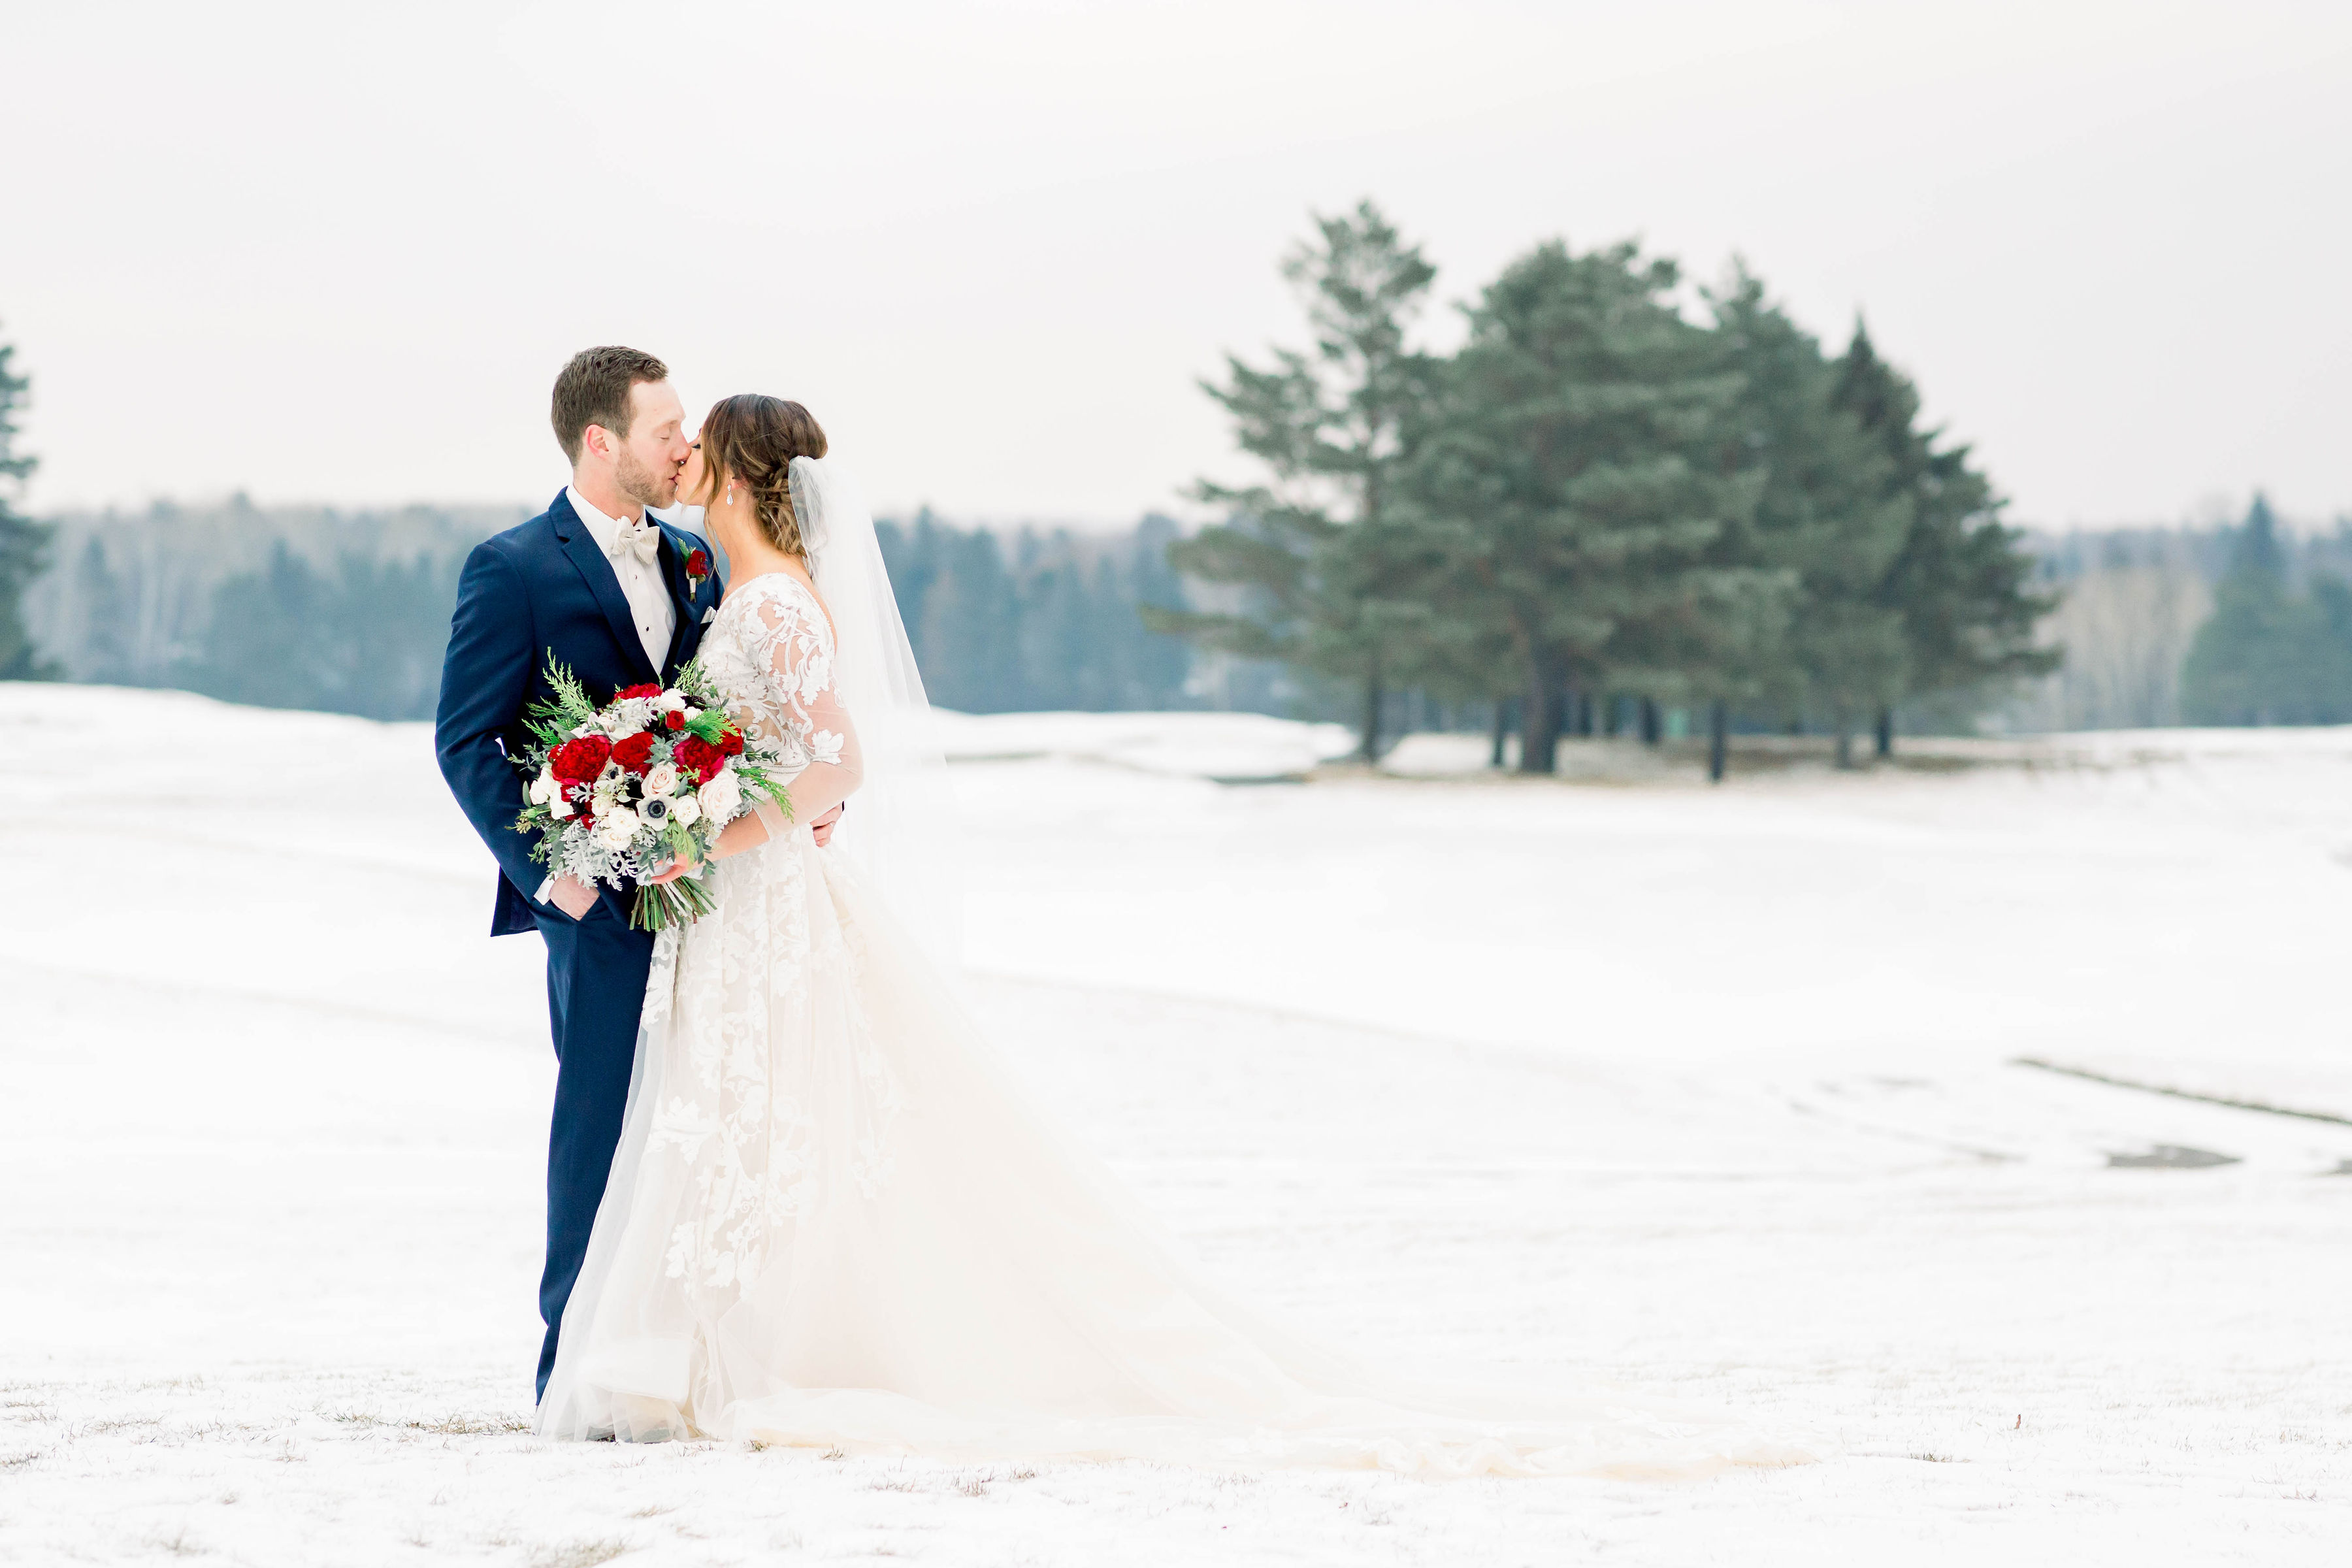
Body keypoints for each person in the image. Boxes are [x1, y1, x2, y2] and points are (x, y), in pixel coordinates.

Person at [534, 393, 1801, 1478]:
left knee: (779, 1119)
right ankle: (701, 1345)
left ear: (752, 474)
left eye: (703, 451)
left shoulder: (775, 608)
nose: (683, 463)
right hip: (745, 912)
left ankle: (751, 1353)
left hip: (763, 906)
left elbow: (832, 764)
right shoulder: (745, 593)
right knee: (749, 1120)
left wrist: (702, 837)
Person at [434, 348, 840, 1402]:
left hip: (716, 901)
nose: (683, 444)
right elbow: (467, 739)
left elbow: (747, 722)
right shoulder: (514, 566)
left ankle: (688, 1365)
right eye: (664, 427)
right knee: (601, 1127)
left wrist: (789, 807)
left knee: (698, 1128)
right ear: (599, 440)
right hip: (599, 902)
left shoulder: (701, 561)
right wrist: (547, 876)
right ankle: (571, 1376)